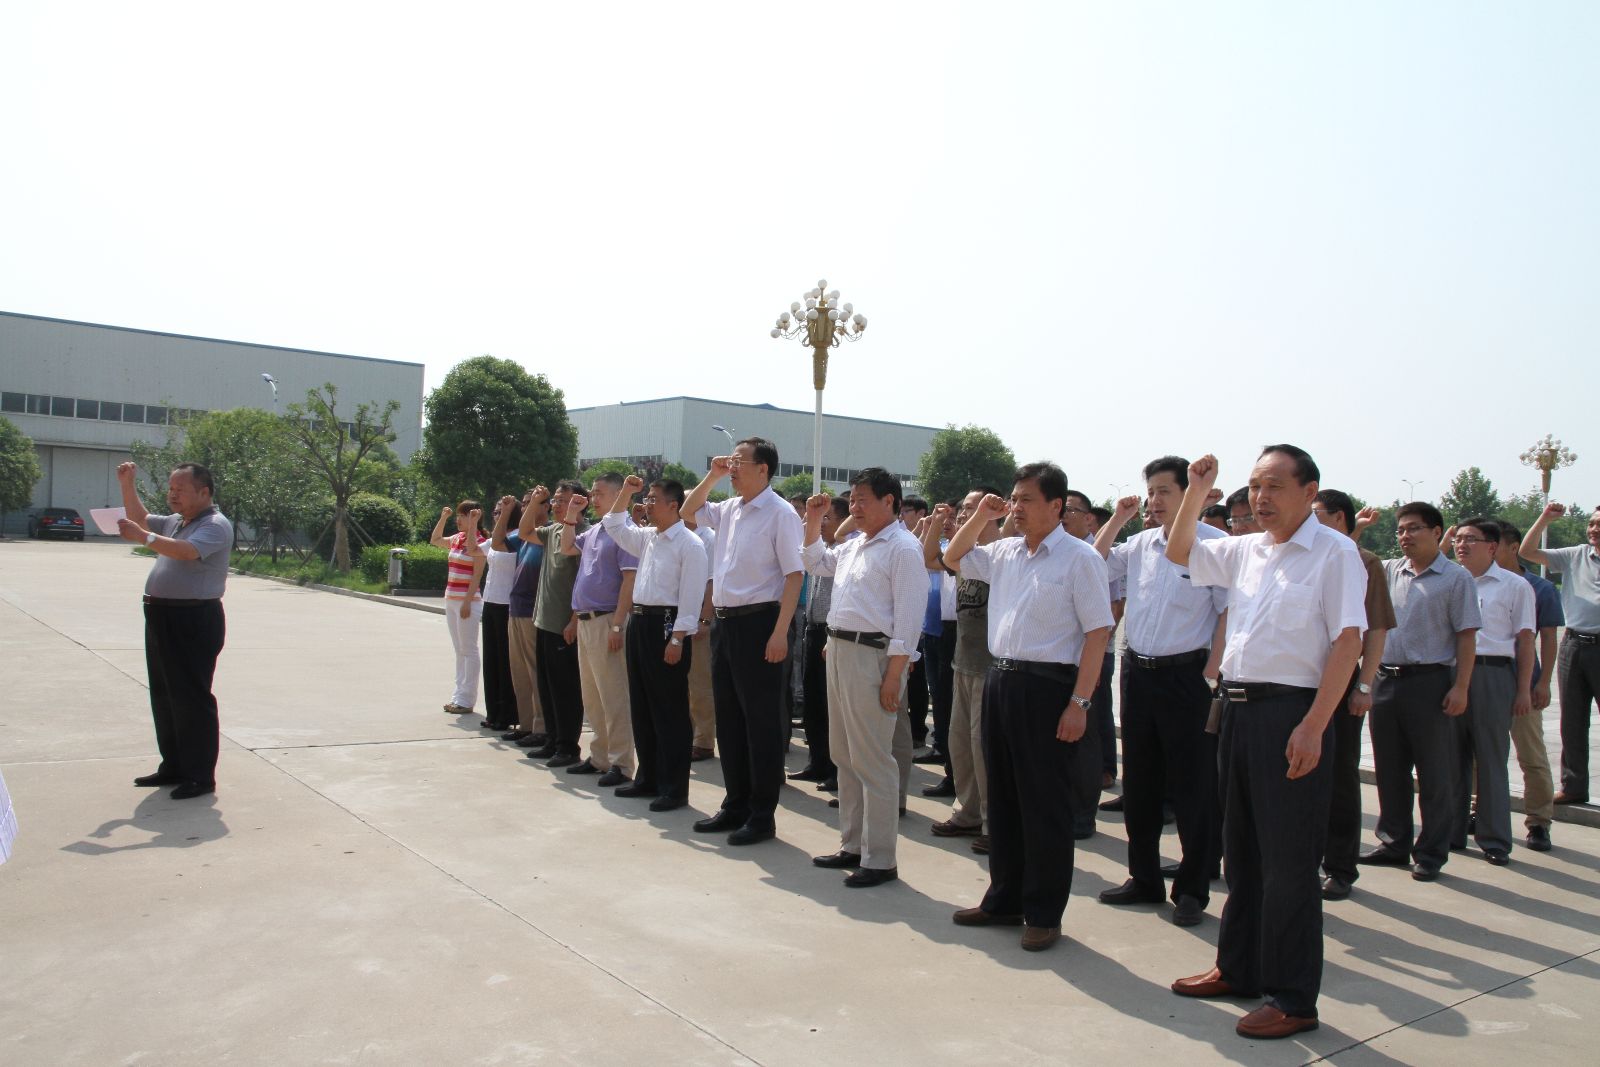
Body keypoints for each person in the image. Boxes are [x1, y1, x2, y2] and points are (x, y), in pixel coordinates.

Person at [1165, 446, 1365, 1041]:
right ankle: (1238, 968)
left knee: (1289, 863)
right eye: (1255, 486)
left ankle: (1293, 997)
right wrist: (1196, 490)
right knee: (1243, 852)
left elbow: (1348, 642)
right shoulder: (1247, 549)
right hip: (1238, 710)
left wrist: (1315, 724)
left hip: (1291, 714)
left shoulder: (1335, 553)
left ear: (1310, 491)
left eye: (1275, 485)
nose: (1261, 497)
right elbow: (1180, 550)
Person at [943, 462, 1113, 953]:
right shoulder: (1005, 552)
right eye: (1013, 499)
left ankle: (1043, 912)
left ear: (1056, 506)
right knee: (1004, 800)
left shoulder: (1080, 559)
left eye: (1026, 500)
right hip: (1001, 679)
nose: (1016, 508)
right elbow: (953, 557)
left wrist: (1080, 703)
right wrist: (982, 516)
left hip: (1048, 688)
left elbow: (1098, 634)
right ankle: (1004, 899)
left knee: (1044, 806)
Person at [1090, 456, 1227, 928]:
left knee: (1192, 787)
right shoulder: (1141, 543)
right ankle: (1144, 877)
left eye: (1164, 491)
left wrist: (1212, 672)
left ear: (1190, 493)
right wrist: (1118, 519)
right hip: (1139, 672)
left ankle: (1191, 888)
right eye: (1151, 492)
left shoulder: (1214, 545)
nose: (1154, 501)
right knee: (1142, 784)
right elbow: (1093, 561)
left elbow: (1227, 612)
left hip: (1188, 676)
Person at [802, 470, 927, 887]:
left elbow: (908, 620)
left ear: (889, 501)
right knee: (844, 754)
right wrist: (812, 521)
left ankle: (880, 858)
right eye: (852, 500)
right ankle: (853, 843)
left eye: (863, 500)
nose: (854, 507)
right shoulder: (855, 544)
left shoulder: (903, 548)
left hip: (874, 656)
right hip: (839, 650)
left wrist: (895, 674)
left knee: (873, 759)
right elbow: (815, 562)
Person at [682, 438, 804, 846]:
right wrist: (712, 476)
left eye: (739, 462)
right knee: (730, 720)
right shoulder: (729, 508)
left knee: (761, 724)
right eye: (730, 461)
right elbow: (687, 511)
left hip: (762, 623)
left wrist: (780, 632)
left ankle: (761, 814)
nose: (732, 467)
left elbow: (794, 576)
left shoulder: (781, 513)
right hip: (726, 624)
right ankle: (734, 804)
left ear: (763, 469)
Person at [1360, 502, 1479, 881]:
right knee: (1389, 768)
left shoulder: (1456, 579)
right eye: (1401, 530)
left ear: (1436, 532)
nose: (1404, 536)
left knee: (1433, 772)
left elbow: (1466, 637)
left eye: (1413, 528)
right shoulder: (1389, 570)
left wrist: (1461, 686)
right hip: (1386, 680)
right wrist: (1358, 528)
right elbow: (1348, 559)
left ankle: (1430, 853)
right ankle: (1394, 842)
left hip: (1430, 683)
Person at [116, 460, 235, 800]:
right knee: (165, 694)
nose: (173, 495)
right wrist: (127, 484)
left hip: (192, 618)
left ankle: (200, 776)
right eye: (171, 489)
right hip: (162, 615)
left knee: (191, 697)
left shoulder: (214, 525)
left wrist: (144, 538)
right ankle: (174, 765)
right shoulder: (176, 521)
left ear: (204, 492)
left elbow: (187, 552)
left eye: (180, 490)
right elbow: (141, 519)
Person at [600, 477, 708, 811]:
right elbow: (613, 524)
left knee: (669, 709)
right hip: (641, 621)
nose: (646, 504)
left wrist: (678, 637)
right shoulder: (648, 537)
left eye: (653, 499)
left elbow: (691, 596)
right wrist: (626, 491)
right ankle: (647, 778)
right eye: (646, 498)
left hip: (667, 624)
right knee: (642, 705)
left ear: (673, 505)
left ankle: (674, 788)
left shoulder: (690, 544)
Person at [1309, 491, 1394, 902]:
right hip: (1295, 682)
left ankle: (1340, 866)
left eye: (1317, 515)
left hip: (1341, 681)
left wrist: (1364, 685)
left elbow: (1375, 628)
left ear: (1340, 518)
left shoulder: (1363, 562)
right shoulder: (1297, 555)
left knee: (1339, 775)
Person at [1449, 518, 1535, 865]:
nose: (1461, 545)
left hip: (1492, 674)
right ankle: (1451, 832)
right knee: (1450, 759)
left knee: (1490, 759)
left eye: (1470, 539)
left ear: (1492, 546)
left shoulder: (1515, 586)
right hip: (1450, 674)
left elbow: (1525, 640)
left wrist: (1524, 689)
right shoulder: (1450, 580)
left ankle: (1495, 838)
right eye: (1457, 539)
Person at [927, 489, 1004, 847]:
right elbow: (931, 557)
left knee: (984, 750)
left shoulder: (1005, 552)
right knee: (959, 745)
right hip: (962, 661)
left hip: (990, 668)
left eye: (971, 509)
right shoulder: (964, 556)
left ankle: (993, 823)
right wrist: (936, 523)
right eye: (962, 510)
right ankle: (968, 813)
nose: (962, 515)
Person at [560, 473, 640, 786]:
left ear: (620, 495)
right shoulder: (595, 530)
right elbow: (567, 547)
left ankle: (621, 763)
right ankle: (599, 757)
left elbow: (629, 580)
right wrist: (571, 514)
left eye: (600, 493)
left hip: (607, 620)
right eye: (592, 493)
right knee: (592, 695)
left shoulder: (626, 533)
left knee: (614, 696)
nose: (593, 499)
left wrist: (618, 624)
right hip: (586, 621)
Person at [1520, 503, 1600, 804]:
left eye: (1599, 525)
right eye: (1592, 523)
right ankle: (1573, 786)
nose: (1594, 529)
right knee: (1572, 719)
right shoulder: (1575, 555)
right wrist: (1544, 519)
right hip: (1574, 645)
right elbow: (1528, 551)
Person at [1495, 521, 1561, 850]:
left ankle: (1538, 821)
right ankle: (1479, 809)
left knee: (1531, 755)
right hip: (1486, 680)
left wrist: (1543, 682)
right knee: (1482, 753)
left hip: (1524, 681)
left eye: (1495, 545)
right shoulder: (1477, 582)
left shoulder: (1540, 588)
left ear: (1513, 548)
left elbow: (1547, 638)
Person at [525, 481, 589, 767]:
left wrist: (574, 620)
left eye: (563, 500)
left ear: (580, 502)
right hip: (545, 621)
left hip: (565, 625)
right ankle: (552, 740)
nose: (557, 505)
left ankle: (567, 746)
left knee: (566, 690)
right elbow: (525, 532)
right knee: (547, 686)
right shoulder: (552, 531)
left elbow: (583, 581)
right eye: (556, 500)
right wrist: (534, 502)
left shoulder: (583, 535)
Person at [791, 496, 849, 786]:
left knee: (831, 706)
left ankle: (837, 771)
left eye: (827, 517)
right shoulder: (822, 550)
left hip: (832, 632)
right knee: (813, 702)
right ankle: (817, 762)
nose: (822, 523)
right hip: (812, 629)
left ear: (843, 522)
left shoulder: (845, 552)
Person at [496, 490, 550, 748]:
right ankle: (526, 724)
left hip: (532, 610)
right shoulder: (522, 536)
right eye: (525, 503)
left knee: (534, 671)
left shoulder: (545, 534)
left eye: (533, 503)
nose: (527, 507)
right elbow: (497, 543)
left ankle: (541, 727)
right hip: (515, 608)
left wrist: (533, 504)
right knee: (519, 672)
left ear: (546, 506)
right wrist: (506, 512)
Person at [429, 501, 487, 715]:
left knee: (469, 650)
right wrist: (443, 517)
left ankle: (466, 699)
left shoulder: (480, 543)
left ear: (474, 518)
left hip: (467, 602)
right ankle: (458, 696)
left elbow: (477, 575)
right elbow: (435, 540)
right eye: (459, 515)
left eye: (463, 516)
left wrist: (467, 602)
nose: (459, 519)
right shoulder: (457, 539)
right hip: (451, 599)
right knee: (459, 650)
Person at [480, 496, 524, 732]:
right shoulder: (496, 536)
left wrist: (506, 513)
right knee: (491, 659)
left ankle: (507, 714)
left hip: (507, 603)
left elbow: (500, 545)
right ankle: (493, 712)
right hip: (490, 601)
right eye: (495, 512)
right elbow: (473, 550)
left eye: (501, 512)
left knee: (505, 661)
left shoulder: (518, 537)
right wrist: (473, 523)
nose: (496, 515)